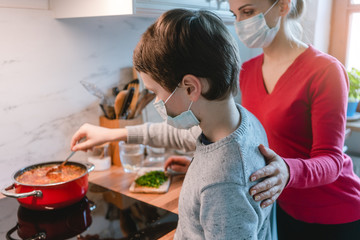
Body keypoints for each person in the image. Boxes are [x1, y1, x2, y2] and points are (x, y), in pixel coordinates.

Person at [72, 0, 360, 239]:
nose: (240, 23)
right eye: (235, 14)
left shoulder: (325, 72)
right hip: (277, 199)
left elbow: (331, 160)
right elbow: (224, 142)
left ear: (283, 5)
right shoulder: (247, 74)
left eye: (247, 11)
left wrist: (281, 171)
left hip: (330, 210)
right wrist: (203, 163)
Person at [73, 8, 272, 239]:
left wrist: (208, 178)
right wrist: (113, 134)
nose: (156, 102)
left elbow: (225, 184)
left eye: (156, 92)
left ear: (190, 88)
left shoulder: (223, 185)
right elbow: (176, 136)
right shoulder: (238, 121)